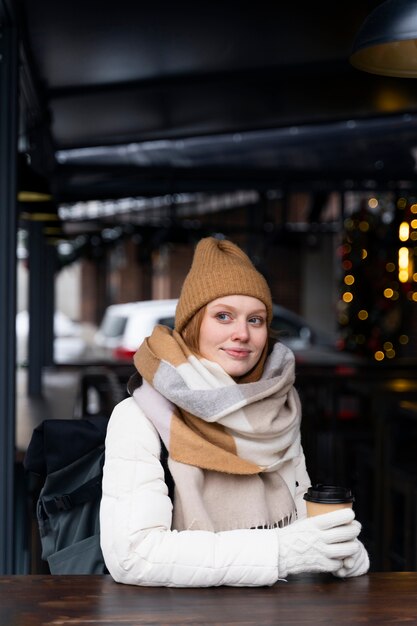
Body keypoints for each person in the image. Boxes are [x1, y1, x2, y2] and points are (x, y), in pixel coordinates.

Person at [100, 236, 369, 586]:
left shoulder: (278, 409)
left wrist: (336, 549)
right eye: (223, 316)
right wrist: (278, 552)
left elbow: (301, 530)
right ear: (193, 324)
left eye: (255, 320)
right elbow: (133, 556)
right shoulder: (139, 418)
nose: (242, 333)